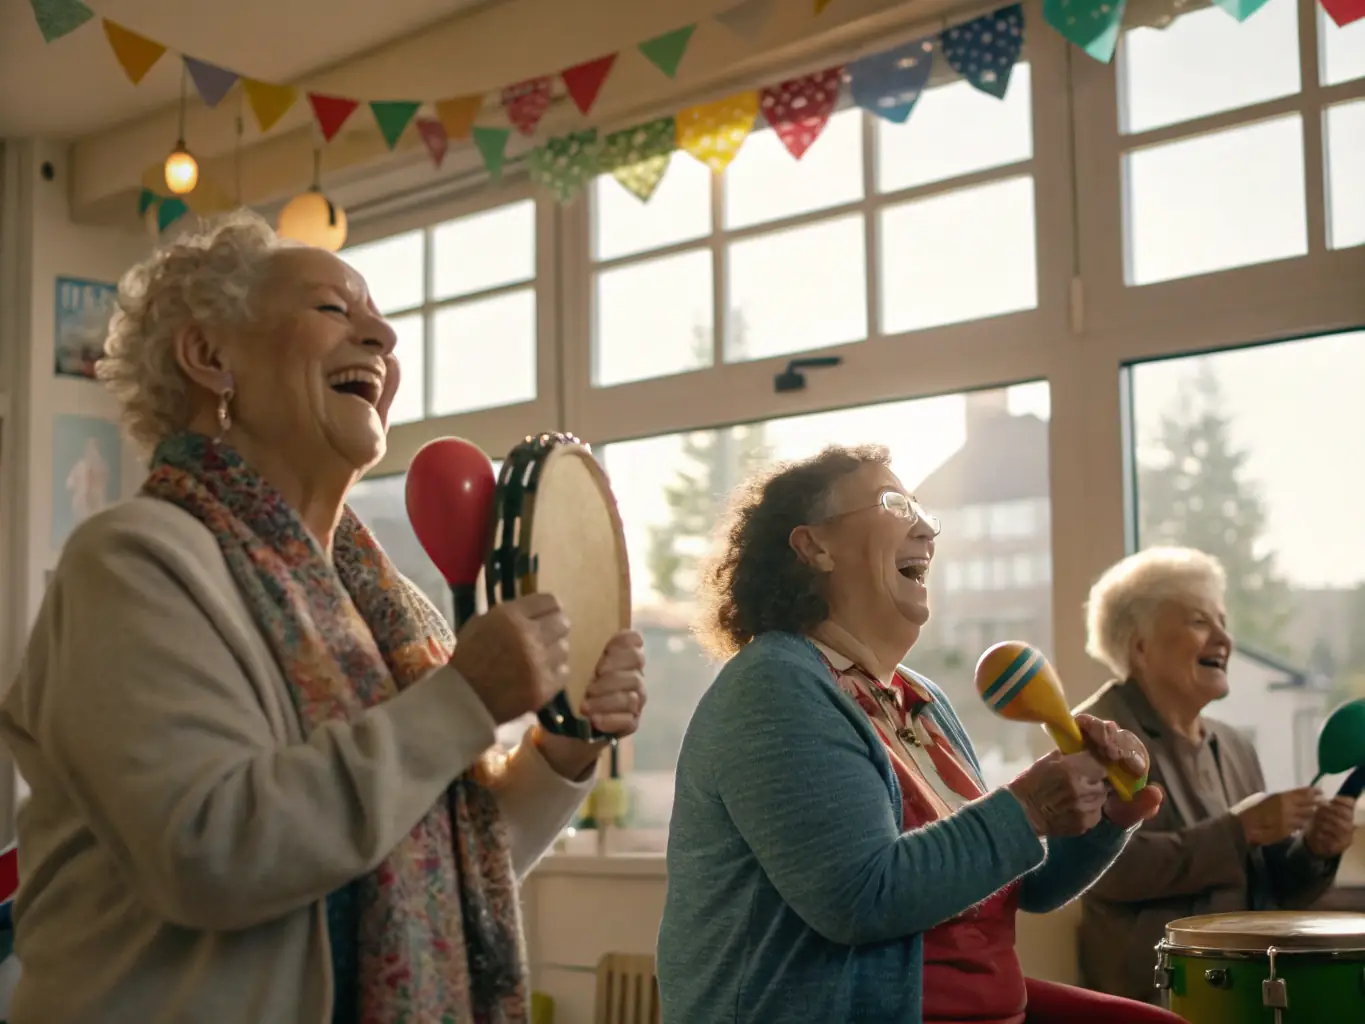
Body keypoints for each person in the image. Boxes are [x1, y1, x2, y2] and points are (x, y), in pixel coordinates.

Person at [0, 211, 648, 1024]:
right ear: (210, 357)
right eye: (334, 310)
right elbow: (211, 852)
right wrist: (464, 702)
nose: (382, 335)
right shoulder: (133, 561)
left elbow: (443, 873)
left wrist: (565, 744)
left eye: (376, 317)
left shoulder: (387, 605)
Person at [657, 444, 1184, 1024]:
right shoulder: (774, 686)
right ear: (814, 546)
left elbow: (1022, 888)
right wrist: (1029, 807)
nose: (927, 533)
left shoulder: (920, 698)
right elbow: (861, 899)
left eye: (926, 515)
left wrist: (1104, 817)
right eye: (895, 505)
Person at [1076, 546, 1357, 1003]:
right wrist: (1238, 830)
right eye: (1199, 621)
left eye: (1223, 622)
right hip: (1153, 997)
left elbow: (1272, 890)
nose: (1225, 639)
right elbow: (1108, 871)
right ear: (1139, 644)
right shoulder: (1094, 734)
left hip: (1250, 991)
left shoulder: (1235, 744)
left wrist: (1315, 850)